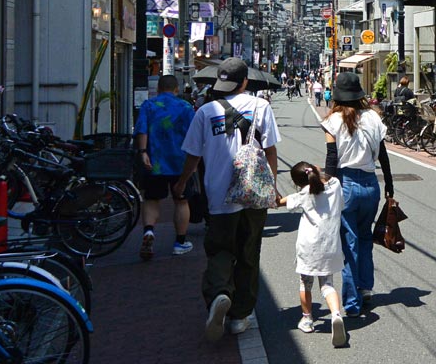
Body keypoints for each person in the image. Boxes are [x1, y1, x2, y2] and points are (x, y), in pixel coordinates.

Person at [174, 57, 281, 341]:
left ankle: (220, 293)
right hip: (254, 193)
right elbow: (270, 151)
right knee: (248, 253)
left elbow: (193, 155)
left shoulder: (205, 111)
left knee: (220, 250)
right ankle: (240, 316)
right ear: (245, 81)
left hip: (219, 195)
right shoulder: (261, 107)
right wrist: (273, 186)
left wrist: (183, 182)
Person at [323, 72, 394, 317]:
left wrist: (326, 187)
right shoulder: (374, 118)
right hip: (371, 184)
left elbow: (331, 159)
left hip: (346, 184)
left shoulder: (333, 120)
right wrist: (390, 186)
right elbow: (383, 155)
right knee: (364, 238)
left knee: (348, 244)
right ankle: (366, 289)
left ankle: (351, 303)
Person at [276, 162, 347, 347]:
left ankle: (307, 320)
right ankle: (336, 315)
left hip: (309, 248)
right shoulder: (336, 185)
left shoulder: (304, 194)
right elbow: (339, 201)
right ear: (314, 171)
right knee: (327, 285)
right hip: (330, 246)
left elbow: (281, 202)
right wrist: (319, 171)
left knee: (305, 284)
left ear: (298, 182)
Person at [134, 74, 196, 260]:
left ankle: (149, 231)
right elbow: (194, 135)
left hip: (154, 162)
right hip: (180, 162)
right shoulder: (185, 107)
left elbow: (141, 129)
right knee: (181, 200)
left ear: (159, 89)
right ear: (176, 89)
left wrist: (143, 151)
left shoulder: (149, 105)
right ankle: (180, 242)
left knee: (151, 199)